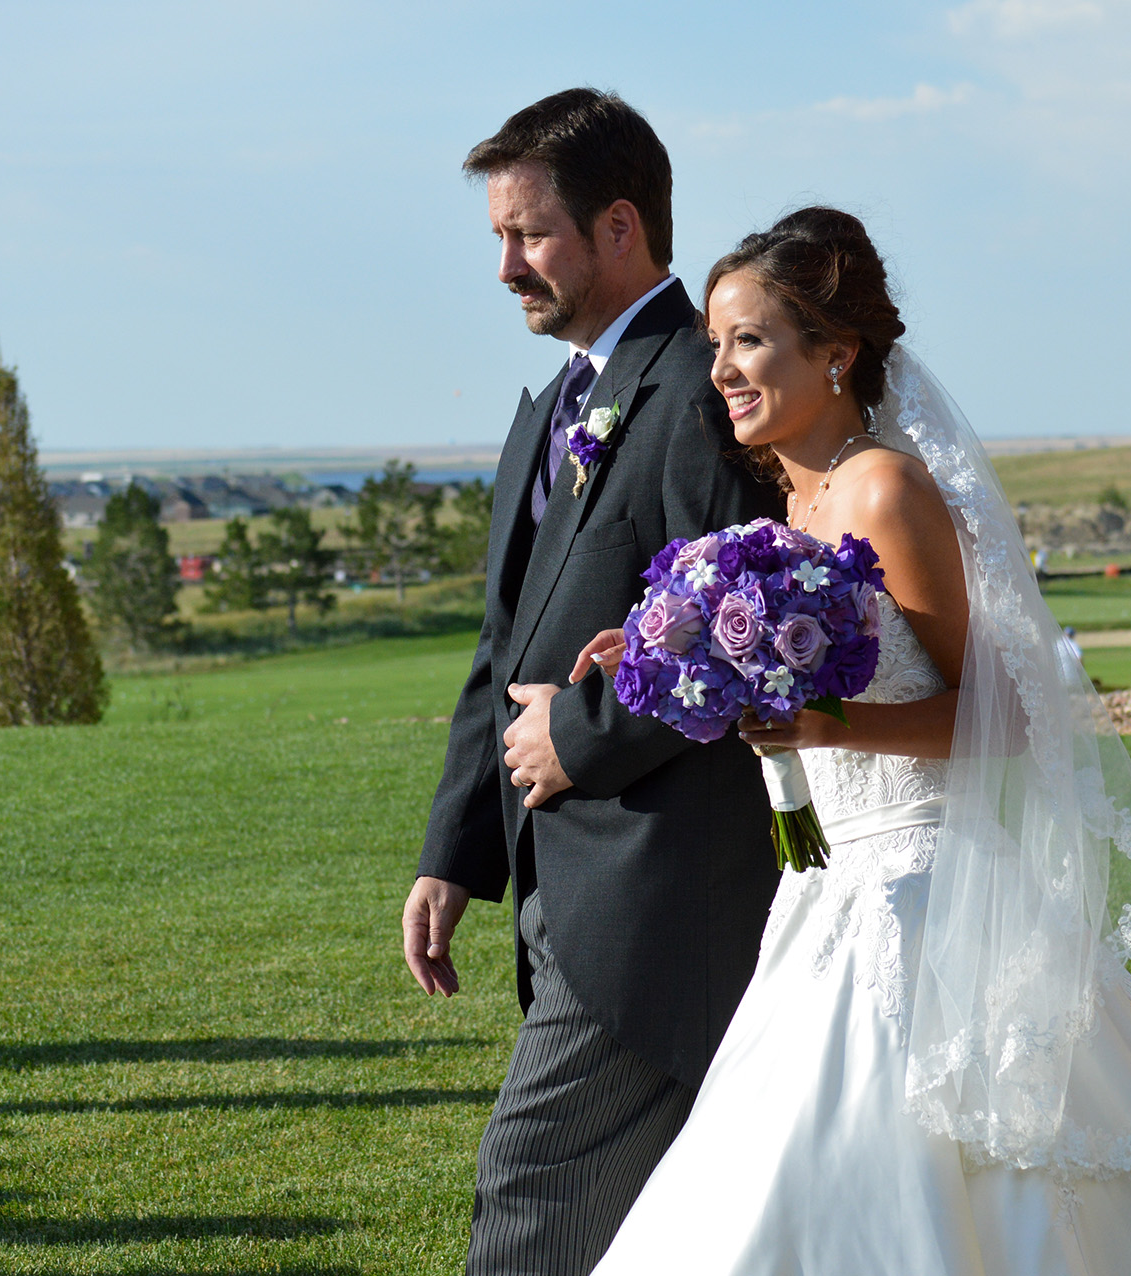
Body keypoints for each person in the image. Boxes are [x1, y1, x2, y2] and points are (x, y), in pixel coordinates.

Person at [579, 208, 1131, 1274]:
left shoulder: (885, 489)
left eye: (750, 340)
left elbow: (999, 715)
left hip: (920, 892)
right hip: (825, 890)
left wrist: (831, 722)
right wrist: (671, 650)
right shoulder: (784, 513)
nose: (722, 369)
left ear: (836, 352)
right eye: (716, 343)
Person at [401, 89, 781, 1276]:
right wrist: (455, 852)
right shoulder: (554, 405)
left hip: (659, 894)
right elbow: (501, 650)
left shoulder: (701, 394)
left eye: (530, 234)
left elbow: (740, 633)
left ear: (620, 227)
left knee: (535, 1191)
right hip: (557, 884)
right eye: (500, 237)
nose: (507, 266)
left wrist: (582, 735)